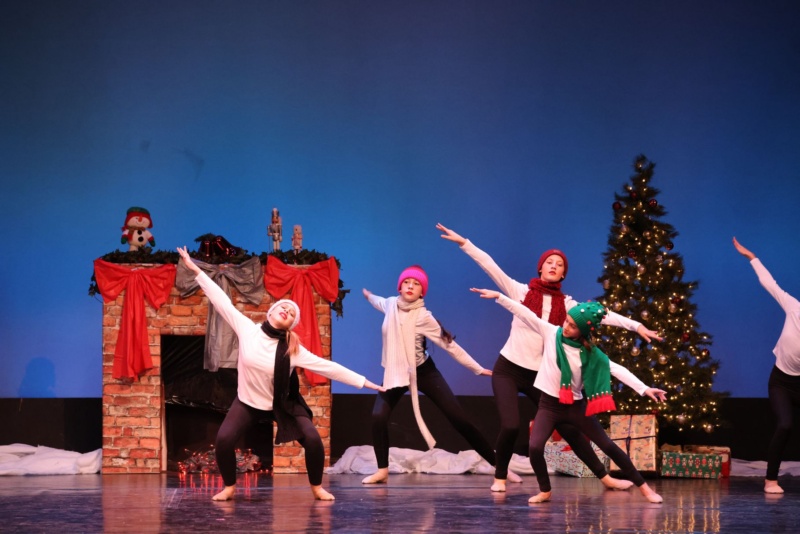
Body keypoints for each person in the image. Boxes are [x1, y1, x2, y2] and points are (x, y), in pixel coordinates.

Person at [437, 223, 662, 492]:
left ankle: (605, 478)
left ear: (563, 273)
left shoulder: (568, 305)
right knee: (511, 425)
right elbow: (490, 266)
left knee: (571, 431)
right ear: (540, 268)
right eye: (549, 262)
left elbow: (603, 315)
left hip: (539, 375)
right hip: (509, 369)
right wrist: (464, 243)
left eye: (559, 264)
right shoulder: (520, 292)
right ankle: (500, 476)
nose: (554, 266)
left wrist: (636, 326)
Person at [176, 246, 384, 501]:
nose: (287, 311)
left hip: (283, 403)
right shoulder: (248, 330)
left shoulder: (292, 349)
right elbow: (221, 301)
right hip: (249, 402)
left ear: (290, 324)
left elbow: (328, 367)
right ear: (271, 311)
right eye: (284, 307)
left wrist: (366, 383)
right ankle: (229, 487)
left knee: (313, 439)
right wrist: (195, 269)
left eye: (292, 313)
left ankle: (317, 487)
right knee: (224, 440)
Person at [472, 288, 666, 504]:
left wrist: (645, 389)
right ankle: (545, 490)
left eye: (573, 326)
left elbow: (617, 369)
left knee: (608, 446)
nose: (566, 327)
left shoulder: (591, 354)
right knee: (535, 447)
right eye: (567, 321)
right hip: (548, 406)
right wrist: (500, 298)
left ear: (583, 331)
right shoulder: (551, 333)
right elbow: (525, 314)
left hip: (575, 407)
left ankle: (645, 489)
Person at [360, 265, 519, 484]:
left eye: (416, 284)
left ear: (422, 292)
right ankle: (382, 471)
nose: (410, 286)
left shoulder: (424, 317)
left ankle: (500, 467)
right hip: (397, 372)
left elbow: (450, 345)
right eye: (407, 282)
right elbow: (377, 301)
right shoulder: (390, 305)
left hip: (424, 371)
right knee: (378, 416)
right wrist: (368, 295)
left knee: (459, 419)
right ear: (399, 287)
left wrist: (477, 368)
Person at [733, 237, 800, 494]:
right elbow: (770, 284)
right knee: (785, 425)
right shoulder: (794, 308)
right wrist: (752, 258)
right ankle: (770, 480)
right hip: (781, 382)